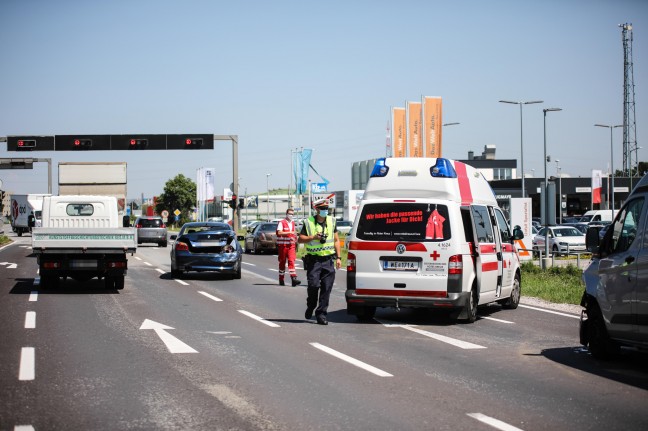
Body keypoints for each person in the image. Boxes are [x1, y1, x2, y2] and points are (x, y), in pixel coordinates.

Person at [298, 198, 341, 325]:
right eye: (322, 209)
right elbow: (300, 239)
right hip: (314, 261)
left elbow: (336, 240)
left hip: (328, 260)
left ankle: (321, 314)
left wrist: (339, 258)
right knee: (313, 286)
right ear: (316, 209)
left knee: (326, 288)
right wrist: (313, 237)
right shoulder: (308, 222)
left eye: (326, 209)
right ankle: (311, 305)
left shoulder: (332, 221)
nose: (325, 211)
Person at [276, 208, 301, 287]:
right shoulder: (282, 222)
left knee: (291, 261)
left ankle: (293, 278)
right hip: (283, 246)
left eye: (292, 214)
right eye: (289, 214)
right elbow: (279, 232)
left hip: (291, 246)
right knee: (282, 262)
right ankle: (281, 279)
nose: (291, 215)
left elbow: (294, 233)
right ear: (286, 214)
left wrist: (296, 239)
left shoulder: (293, 223)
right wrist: (289, 232)